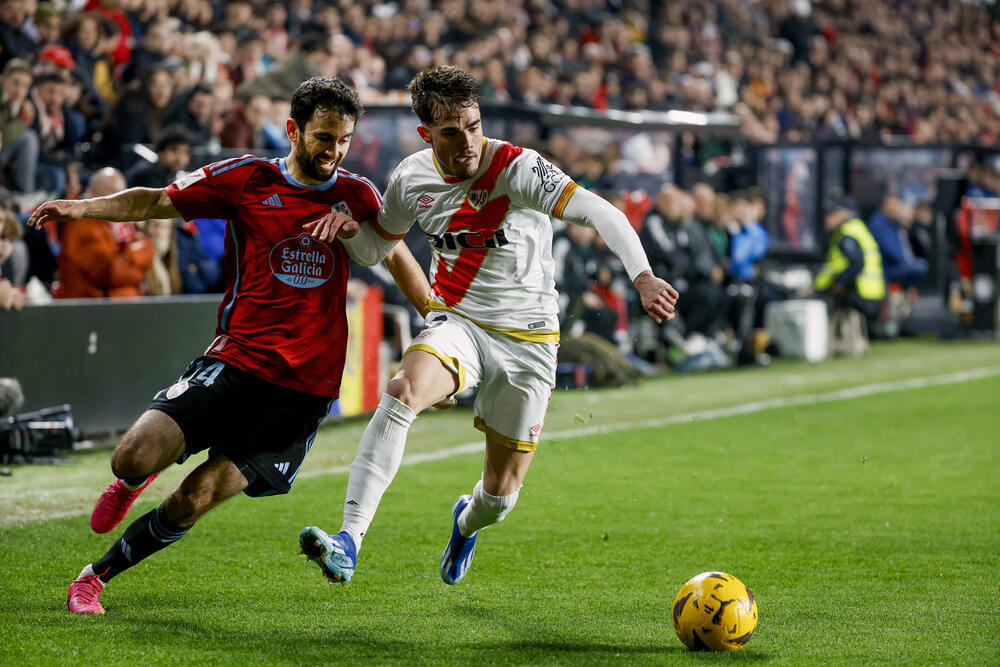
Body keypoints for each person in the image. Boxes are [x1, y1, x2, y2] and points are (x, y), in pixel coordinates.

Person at [27, 76, 429, 614]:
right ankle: (133, 479)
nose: (333, 151)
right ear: (293, 130)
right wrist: (83, 208)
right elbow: (157, 201)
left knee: (194, 498)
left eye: (343, 140)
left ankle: (94, 578)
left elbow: (393, 252)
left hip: (302, 390)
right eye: (322, 137)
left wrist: (437, 315)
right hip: (236, 359)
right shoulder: (246, 179)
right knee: (131, 456)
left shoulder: (356, 196)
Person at [297, 66, 677, 587]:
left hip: (530, 341)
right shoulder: (411, 178)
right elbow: (375, 249)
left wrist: (643, 277)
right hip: (460, 323)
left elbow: (599, 211)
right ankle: (349, 539)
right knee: (403, 390)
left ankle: (465, 521)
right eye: (452, 132)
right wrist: (347, 232)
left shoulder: (518, 168)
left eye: (473, 126)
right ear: (426, 135)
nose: (467, 141)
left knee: (499, 497)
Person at [54, 167, 154, 299]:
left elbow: (144, 248)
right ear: (100, 195)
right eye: (118, 194)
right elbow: (112, 274)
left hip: (109, 307)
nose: (125, 201)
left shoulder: (111, 219)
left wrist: (128, 257)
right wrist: (139, 261)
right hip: (88, 311)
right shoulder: (81, 223)